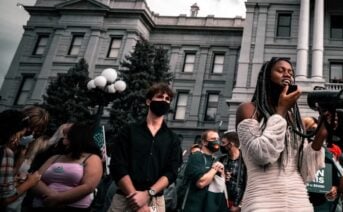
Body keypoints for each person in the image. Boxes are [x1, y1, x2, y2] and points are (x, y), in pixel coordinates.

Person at [235, 57, 327, 212]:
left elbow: (304, 169)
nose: (287, 75)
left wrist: (322, 134)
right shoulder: (248, 110)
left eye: (290, 72)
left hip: (298, 199)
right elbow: (261, 155)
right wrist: (281, 111)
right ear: (266, 77)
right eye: (280, 70)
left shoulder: (293, 118)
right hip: (263, 199)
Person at [109, 83, 182, 212]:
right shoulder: (129, 131)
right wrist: (137, 200)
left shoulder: (173, 139)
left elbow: (171, 172)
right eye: (160, 97)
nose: (164, 100)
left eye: (167, 99)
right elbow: (118, 166)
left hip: (155, 201)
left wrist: (148, 194)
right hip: (125, 198)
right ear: (149, 101)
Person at [31, 121, 103, 211]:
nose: (63, 137)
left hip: (73, 207)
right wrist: (51, 195)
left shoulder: (92, 158)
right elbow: (35, 179)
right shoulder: (55, 157)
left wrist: (59, 199)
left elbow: (88, 186)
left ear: (78, 136)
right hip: (43, 205)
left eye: (67, 134)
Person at [0, 110, 41, 209]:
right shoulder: (5, 152)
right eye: (21, 135)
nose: (20, 139)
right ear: (14, 131)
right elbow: (5, 199)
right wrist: (30, 182)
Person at [181, 130, 228, 212]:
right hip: (194, 207)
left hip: (207, 206)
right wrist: (215, 169)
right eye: (213, 139)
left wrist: (223, 174)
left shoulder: (214, 159)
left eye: (218, 139)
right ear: (204, 142)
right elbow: (201, 183)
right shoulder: (197, 156)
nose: (217, 141)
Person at [218, 131, 246, 212]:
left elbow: (249, 184)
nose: (221, 145)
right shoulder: (222, 159)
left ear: (231, 144)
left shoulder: (246, 161)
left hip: (238, 204)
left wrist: (239, 205)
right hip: (222, 201)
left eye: (223, 143)